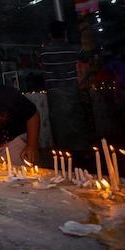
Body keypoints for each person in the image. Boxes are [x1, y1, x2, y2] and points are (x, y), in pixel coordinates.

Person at [37, 21, 90, 154]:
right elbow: (87, 63)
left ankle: (63, 152)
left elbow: (41, 66)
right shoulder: (76, 49)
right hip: (72, 88)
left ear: (50, 35)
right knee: (77, 119)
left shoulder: (42, 52)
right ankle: (81, 150)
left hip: (54, 90)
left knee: (59, 121)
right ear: (65, 33)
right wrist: (78, 81)